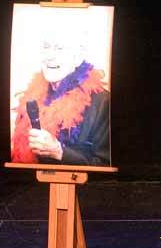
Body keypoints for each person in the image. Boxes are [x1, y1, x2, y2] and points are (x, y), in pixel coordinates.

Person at [10, 29, 110, 166]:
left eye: (60, 48)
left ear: (78, 58)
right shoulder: (31, 99)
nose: (50, 56)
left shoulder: (103, 103)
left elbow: (106, 166)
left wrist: (60, 152)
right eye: (46, 47)